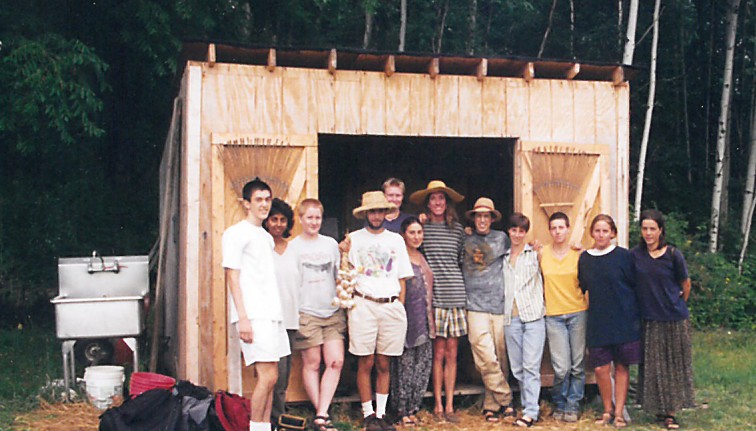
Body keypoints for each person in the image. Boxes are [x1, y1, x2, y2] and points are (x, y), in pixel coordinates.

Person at [222, 178, 290, 431]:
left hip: (272, 315)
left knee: (272, 378)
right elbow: (232, 276)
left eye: (267, 199)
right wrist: (243, 318)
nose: (264, 204)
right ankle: (254, 427)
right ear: (246, 204)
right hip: (253, 315)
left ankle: (264, 426)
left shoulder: (265, 237)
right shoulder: (235, 233)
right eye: (258, 200)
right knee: (268, 376)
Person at [347, 191, 413, 431]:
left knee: (384, 363)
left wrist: (399, 305)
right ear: (365, 214)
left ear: (386, 213)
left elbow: (403, 277)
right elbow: (345, 275)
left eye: (380, 211)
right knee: (366, 361)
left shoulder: (395, 240)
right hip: (364, 303)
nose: (376, 215)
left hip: (390, 304)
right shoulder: (353, 239)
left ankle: (381, 414)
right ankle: (368, 414)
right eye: (372, 211)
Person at [408, 180, 466, 422]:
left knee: (453, 353)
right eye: (433, 199)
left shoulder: (459, 230)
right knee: (438, 352)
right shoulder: (422, 228)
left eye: (441, 198)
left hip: (457, 294)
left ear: (447, 202)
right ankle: (438, 405)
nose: (438, 202)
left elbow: (463, 260)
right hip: (436, 296)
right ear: (427, 203)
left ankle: (450, 404)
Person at [631, 209, 694, 430]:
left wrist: (677, 304)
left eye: (652, 229)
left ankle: (671, 413)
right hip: (649, 318)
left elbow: (685, 284)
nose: (648, 233)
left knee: (673, 365)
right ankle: (658, 408)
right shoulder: (635, 255)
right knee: (653, 366)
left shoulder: (673, 255)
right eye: (645, 228)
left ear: (661, 230)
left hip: (674, 319)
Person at [578, 214, 641, 429]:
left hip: (624, 318)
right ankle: (607, 410)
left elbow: (635, 284)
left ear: (613, 233)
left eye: (605, 231)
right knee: (600, 369)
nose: (601, 234)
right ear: (592, 233)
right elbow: (583, 286)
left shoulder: (624, 256)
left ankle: (620, 412)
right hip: (598, 319)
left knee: (621, 367)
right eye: (597, 231)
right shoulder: (585, 258)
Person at [289, 199, 344, 431]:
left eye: (317, 218)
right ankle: (322, 415)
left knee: (335, 361)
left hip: (331, 310)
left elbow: (339, 275)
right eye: (309, 218)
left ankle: (321, 413)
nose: (314, 222)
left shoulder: (331, 244)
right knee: (312, 363)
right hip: (307, 312)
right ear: (300, 219)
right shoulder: (293, 247)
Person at [461, 197, 514, 423]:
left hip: (499, 305)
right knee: (484, 356)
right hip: (475, 306)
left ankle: (491, 404)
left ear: (492, 219)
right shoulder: (464, 241)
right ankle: (507, 399)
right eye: (478, 216)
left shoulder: (502, 239)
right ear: (474, 219)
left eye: (486, 216)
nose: (482, 220)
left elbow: (520, 250)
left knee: (501, 357)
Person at [540, 212, 587, 423]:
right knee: (561, 367)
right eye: (554, 228)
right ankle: (558, 401)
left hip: (577, 312)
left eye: (561, 227)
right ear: (549, 231)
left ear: (568, 229)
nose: (558, 231)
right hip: (554, 315)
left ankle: (572, 404)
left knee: (577, 364)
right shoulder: (542, 254)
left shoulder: (578, 254)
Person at [390, 216, 435, 428]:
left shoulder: (422, 256)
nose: (416, 237)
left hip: (425, 319)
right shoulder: (400, 258)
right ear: (403, 236)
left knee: (422, 365)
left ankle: (414, 407)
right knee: (404, 366)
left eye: (419, 232)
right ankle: (401, 410)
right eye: (412, 233)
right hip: (406, 317)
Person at [502, 213, 546, 428]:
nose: (517, 234)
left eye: (521, 231)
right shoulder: (503, 256)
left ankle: (531, 411)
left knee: (530, 366)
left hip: (533, 316)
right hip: (512, 318)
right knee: (517, 367)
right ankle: (527, 403)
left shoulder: (535, 253)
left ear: (525, 232)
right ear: (509, 231)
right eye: (514, 230)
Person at [263, 198, 299, 429]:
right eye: (273, 219)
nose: (277, 224)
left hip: (290, 318)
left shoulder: (294, 248)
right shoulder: (262, 247)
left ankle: (278, 417)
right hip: (268, 319)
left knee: (284, 374)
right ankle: (268, 420)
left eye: (282, 220)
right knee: (270, 374)